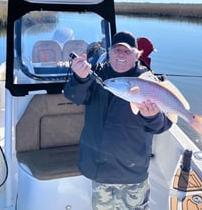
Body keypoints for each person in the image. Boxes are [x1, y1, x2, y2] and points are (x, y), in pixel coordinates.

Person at [64, 31, 172, 210]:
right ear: (109, 52)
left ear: (136, 55)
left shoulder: (148, 82)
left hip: (132, 173)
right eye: (116, 50)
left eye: (127, 51)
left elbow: (162, 125)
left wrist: (152, 116)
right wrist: (80, 78)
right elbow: (74, 96)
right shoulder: (96, 74)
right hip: (100, 171)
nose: (121, 54)